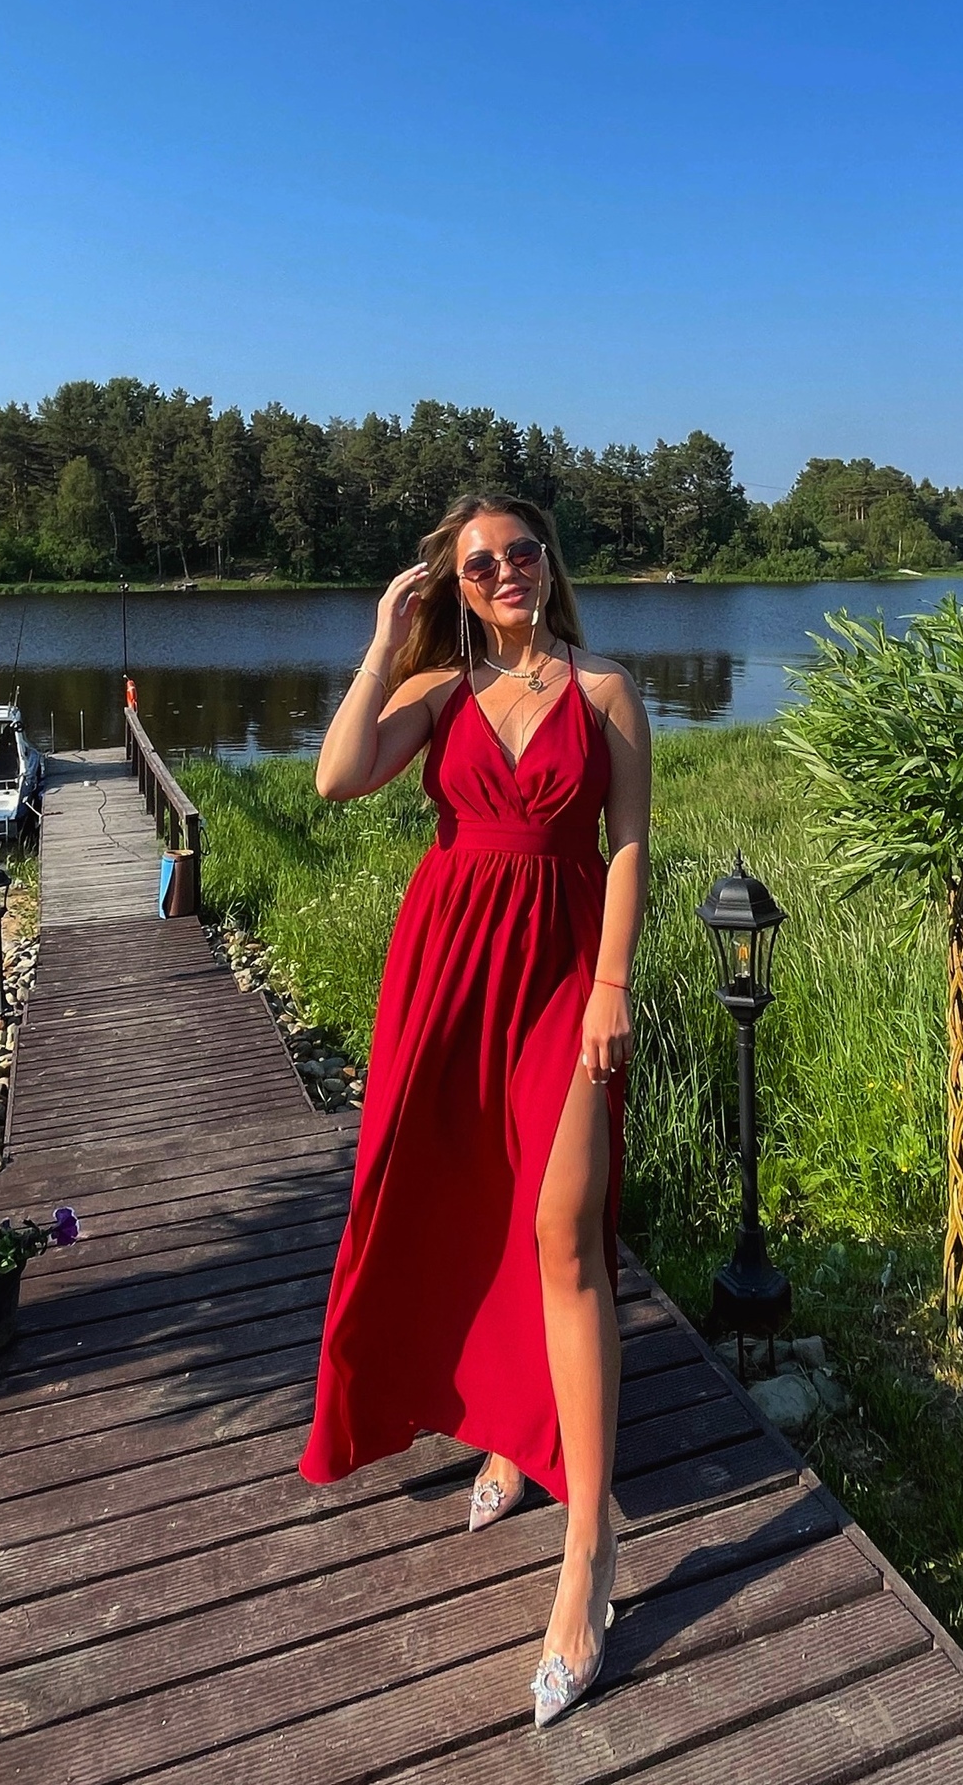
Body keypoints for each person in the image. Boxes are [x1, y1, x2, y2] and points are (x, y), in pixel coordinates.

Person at [298, 493, 651, 1727]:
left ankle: (589, 1551)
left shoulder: (605, 690)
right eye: (479, 563)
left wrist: (612, 985)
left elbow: (625, 845)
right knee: (473, 1203)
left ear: (550, 563)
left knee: (563, 1227)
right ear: (454, 583)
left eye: (521, 552)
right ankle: (510, 1430)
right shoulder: (437, 691)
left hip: (562, 974)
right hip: (449, 970)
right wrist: (382, 643)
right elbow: (338, 777)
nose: (505, 572)